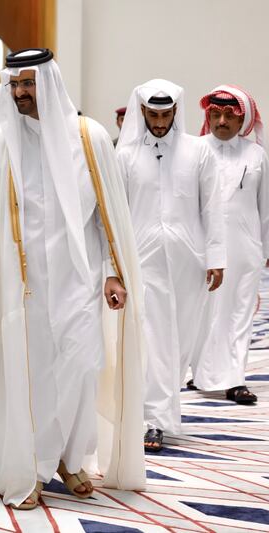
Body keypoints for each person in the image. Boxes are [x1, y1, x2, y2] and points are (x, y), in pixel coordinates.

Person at [0, 48, 146, 510]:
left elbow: (109, 216)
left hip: (78, 280)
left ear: (49, 83)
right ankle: (32, 466)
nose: (22, 92)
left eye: (30, 83)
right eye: (16, 85)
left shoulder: (90, 138)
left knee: (80, 369)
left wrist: (112, 272)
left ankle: (70, 457)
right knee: (30, 375)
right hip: (19, 285)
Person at [116, 79, 225, 452]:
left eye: (165, 114)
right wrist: (114, 265)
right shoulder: (126, 155)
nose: (159, 122)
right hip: (142, 259)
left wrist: (216, 257)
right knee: (153, 336)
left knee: (182, 336)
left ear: (175, 111)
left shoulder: (198, 152)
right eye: (153, 114)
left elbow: (212, 207)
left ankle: (164, 406)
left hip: (189, 260)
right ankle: (153, 420)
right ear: (142, 112)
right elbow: (116, 214)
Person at [192, 85, 268, 404]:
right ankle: (201, 373)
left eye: (228, 115)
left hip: (245, 247)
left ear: (242, 121)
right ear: (208, 116)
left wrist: (265, 249)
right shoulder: (194, 150)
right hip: (202, 249)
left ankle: (235, 379)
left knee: (239, 313)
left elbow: (265, 206)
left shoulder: (256, 154)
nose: (221, 121)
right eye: (215, 114)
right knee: (204, 313)